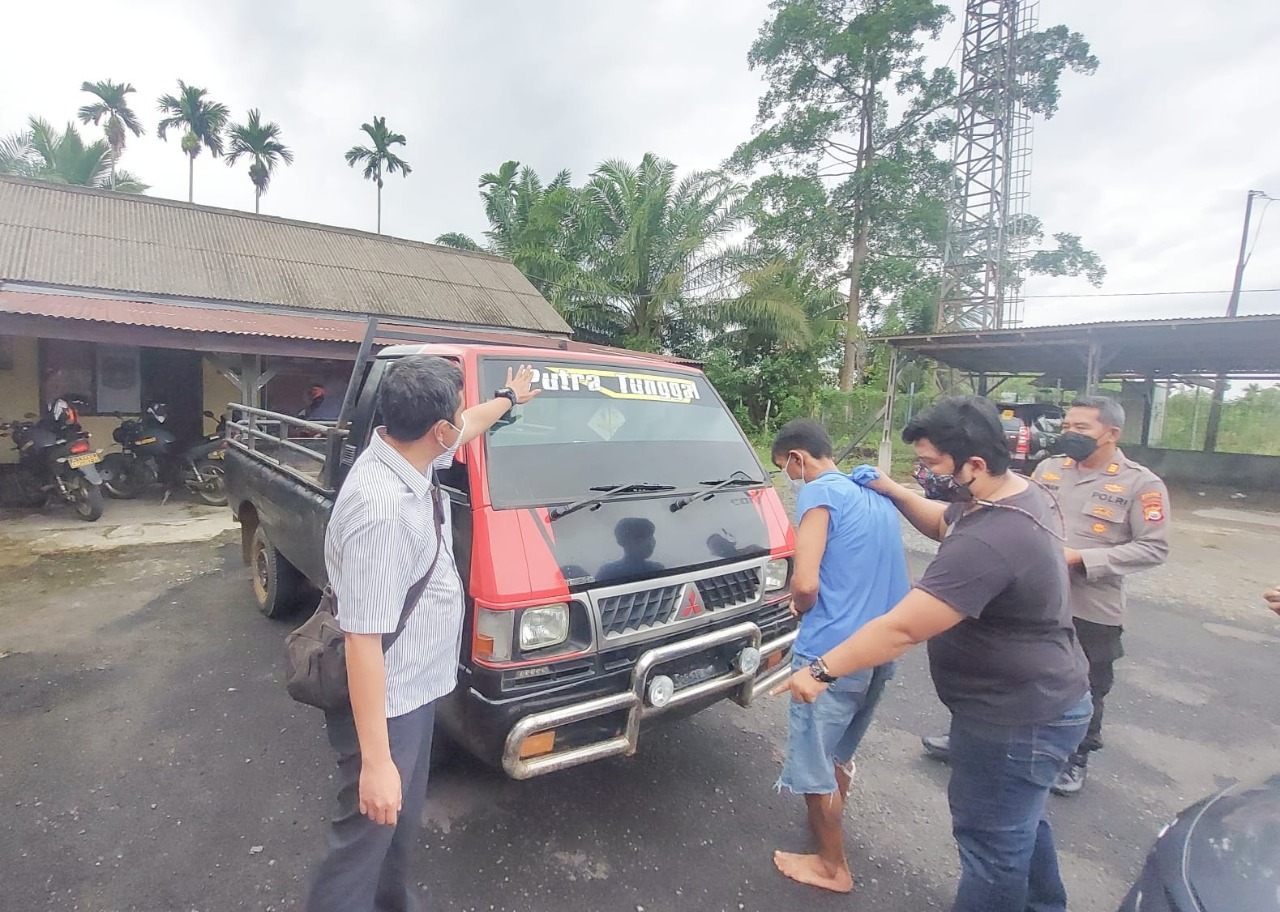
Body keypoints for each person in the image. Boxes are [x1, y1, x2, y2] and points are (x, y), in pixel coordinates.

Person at [773, 395, 1091, 912]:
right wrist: (892, 488)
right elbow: (944, 521)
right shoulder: (1015, 497)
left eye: (930, 465)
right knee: (1021, 826)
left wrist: (820, 669)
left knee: (991, 848)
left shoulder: (989, 540)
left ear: (975, 464)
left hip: (1014, 718)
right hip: (1041, 700)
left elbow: (902, 628)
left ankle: (832, 864)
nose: (922, 473)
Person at [304, 356, 537, 912]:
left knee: (396, 829)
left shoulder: (409, 453)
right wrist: (378, 762)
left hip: (414, 687)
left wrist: (508, 397)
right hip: (387, 705)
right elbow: (363, 642)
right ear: (438, 431)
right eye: (455, 414)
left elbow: (471, 421)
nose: (462, 420)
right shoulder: (380, 510)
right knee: (365, 836)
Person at [921, 395, 1170, 797]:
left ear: (1112, 433)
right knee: (998, 668)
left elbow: (1154, 548)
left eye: (1082, 428)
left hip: (1089, 603)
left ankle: (1073, 758)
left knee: (1082, 682)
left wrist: (1082, 559)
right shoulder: (1049, 469)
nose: (1069, 434)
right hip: (1024, 595)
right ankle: (972, 736)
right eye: (1067, 426)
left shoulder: (1140, 483)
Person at [767, 419, 910, 894]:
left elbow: (805, 582)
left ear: (797, 458)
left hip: (828, 653)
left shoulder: (819, 494)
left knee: (813, 762)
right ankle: (827, 829)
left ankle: (832, 866)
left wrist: (799, 602)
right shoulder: (876, 495)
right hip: (877, 652)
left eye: (785, 468)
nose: (790, 477)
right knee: (839, 753)